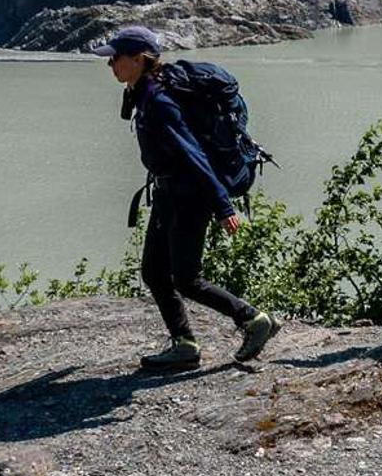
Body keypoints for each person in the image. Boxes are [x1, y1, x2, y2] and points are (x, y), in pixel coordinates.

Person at [96, 25, 278, 370]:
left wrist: (222, 205)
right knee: (153, 271)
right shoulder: (145, 91)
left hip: (188, 196)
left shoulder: (160, 101)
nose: (110, 65)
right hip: (168, 192)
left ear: (138, 59)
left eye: (115, 58)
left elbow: (193, 153)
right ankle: (184, 343)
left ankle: (253, 320)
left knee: (186, 278)